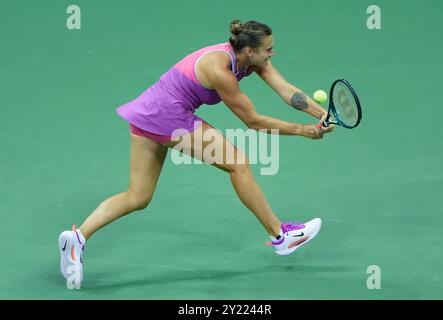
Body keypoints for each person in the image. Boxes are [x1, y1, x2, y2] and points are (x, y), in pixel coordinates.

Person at [58, 19, 334, 288]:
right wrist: (302, 130)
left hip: (147, 111)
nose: (273, 53)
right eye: (269, 49)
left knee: (138, 196)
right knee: (237, 163)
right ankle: (279, 236)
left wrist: (320, 113)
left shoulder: (252, 60)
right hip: (168, 114)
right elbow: (253, 121)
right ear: (250, 51)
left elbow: (287, 91)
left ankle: (77, 238)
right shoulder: (219, 69)